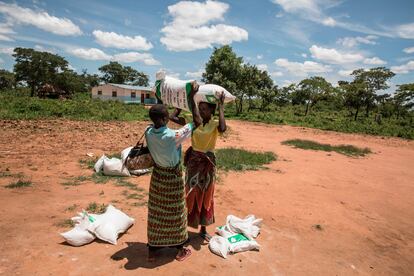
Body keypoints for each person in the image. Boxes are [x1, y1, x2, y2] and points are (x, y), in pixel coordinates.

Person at [145, 101, 201, 262]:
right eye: (167, 115)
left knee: (157, 212)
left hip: (157, 177)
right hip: (172, 177)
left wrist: (173, 110)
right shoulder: (173, 136)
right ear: (164, 118)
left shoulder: (148, 131)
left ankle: (153, 250)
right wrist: (190, 98)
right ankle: (180, 248)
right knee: (176, 213)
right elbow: (197, 122)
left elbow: (155, 121)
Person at [170, 92, 226, 242]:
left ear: (211, 111)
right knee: (191, 192)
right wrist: (182, 104)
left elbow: (223, 128)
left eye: (204, 109)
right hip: (194, 162)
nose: (201, 111)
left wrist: (221, 106)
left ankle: (203, 228)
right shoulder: (193, 123)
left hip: (208, 163)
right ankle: (185, 229)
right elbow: (172, 117)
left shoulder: (214, 124)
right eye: (199, 108)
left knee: (207, 194)